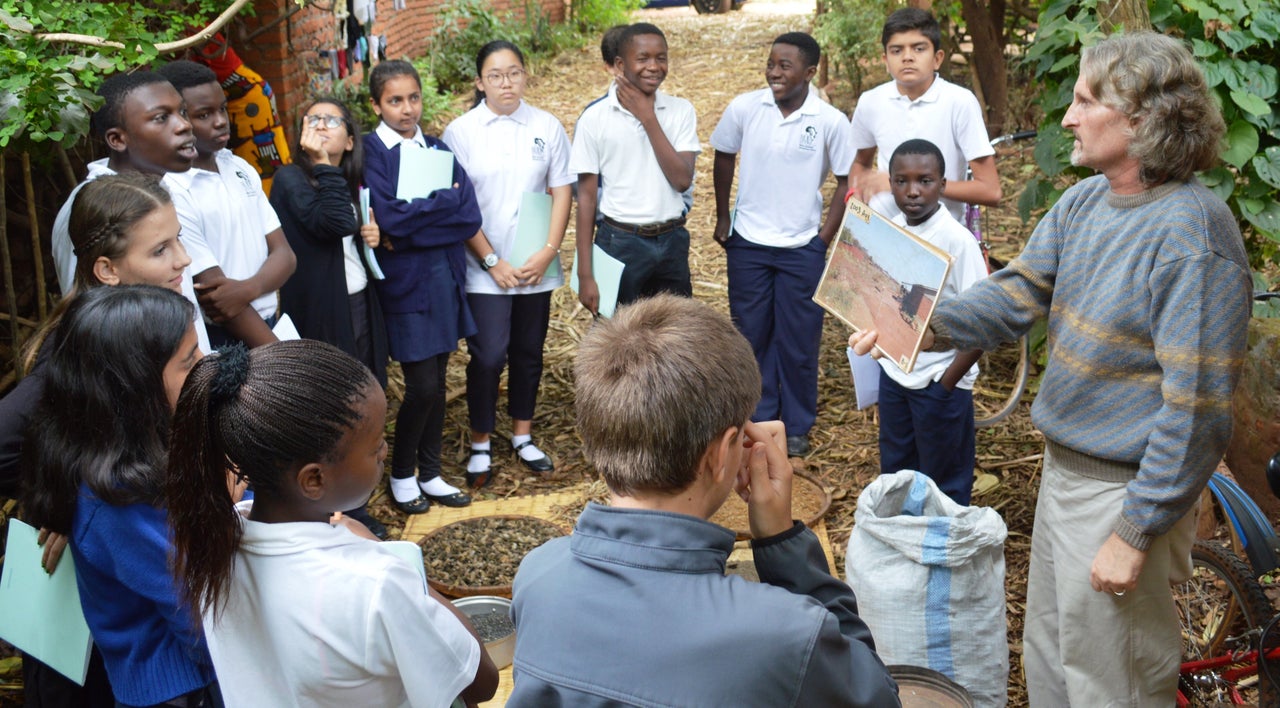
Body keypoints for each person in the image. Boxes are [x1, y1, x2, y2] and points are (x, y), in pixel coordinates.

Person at [851, 31, 1250, 705]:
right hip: (1065, 474)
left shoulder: (1192, 235)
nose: (1067, 116)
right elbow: (1018, 292)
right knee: (1054, 662)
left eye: (1086, 100)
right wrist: (922, 325)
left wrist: (1136, 530)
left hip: (1122, 491)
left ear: (1142, 119)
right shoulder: (1086, 202)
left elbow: (1197, 408)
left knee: (1112, 681)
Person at [509, 294, 900, 707]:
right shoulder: (785, 633)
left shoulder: (538, 577)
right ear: (721, 453)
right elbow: (876, 695)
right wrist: (782, 543)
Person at [165, 340, 499, 708]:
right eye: (375, 447)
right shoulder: (375, 582)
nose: (385, 451)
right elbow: (479, 681)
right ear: (314, 480)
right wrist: (390, 561)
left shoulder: (211, 542)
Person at [6, 173, 202, 707]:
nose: (183, 260)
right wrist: (69, 500)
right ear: (107, 271)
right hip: (102, 630)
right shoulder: (77, 359)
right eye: (161, 249)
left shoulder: (159, 327)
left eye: (179, 239)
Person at [22, 285, 215, 708]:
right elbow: (198, 614)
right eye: (189, 361)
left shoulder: (150, 443)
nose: (206, 366)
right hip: (180, 685)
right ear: (137, 391)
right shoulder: (119, 502)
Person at [710, 31, 852, 458]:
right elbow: (723, 154)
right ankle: (759, 416)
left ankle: (796, 424)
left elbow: (848, 182)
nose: (774, 71)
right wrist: (723, 216)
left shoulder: (830, 121)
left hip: (800, 247)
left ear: (810, 72)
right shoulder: (745, 107)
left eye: (785, 65)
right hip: (749, 243)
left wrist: (822, 239)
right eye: (771, 62)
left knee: (799, 338)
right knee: (751, 334)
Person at [441, 41, 573, 486]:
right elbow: (457, 205)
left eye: (513, 73)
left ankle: (522, 433)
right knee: (488, 354)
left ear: (525, 75)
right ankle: (480, 441)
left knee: (528, 352)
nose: (505, 83)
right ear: (480, 82)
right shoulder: (461, 132)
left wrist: (549, 250)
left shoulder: (546, 126)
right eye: (495, 75)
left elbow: (562, 191)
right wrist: (492, 260)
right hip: (484, 266)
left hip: (536, 261)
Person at [270, 97, 391, 538]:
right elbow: (333, 221)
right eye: (312, 119)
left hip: (361, 303)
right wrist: (323, 164)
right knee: (334, 410)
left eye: (331, 120)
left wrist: (374, 237)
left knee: (368, 394)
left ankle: (357, 499)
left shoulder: (354, 180)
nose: (320, 126)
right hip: (323, 312)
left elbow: (350, 239)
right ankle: (337, 512)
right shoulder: (290, 178)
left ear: (350, 137)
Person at [363, 60, 481, 510]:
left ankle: (430, 473)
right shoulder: (371, 152)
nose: (407, 108)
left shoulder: (436, 147)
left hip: (445, 279)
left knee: (440, 377)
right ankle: (401, 472)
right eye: (395, 100)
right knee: (421, 386)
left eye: (413, 98)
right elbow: (385, 216)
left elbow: (468, 217)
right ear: (376, 104)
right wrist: (440, 207)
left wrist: (409, 230)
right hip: (406, 286)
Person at [874, 139, 986, 505]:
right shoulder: (889, 228)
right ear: (890, 183)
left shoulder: (958, 242)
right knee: (897, 474)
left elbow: (984, 321)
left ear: (942, 184)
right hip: (895, 377)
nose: (913, 191)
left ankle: (943, 555)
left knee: (944, 486)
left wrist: (946, 386)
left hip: (940, 383)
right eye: (901, 181)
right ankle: (901, 549)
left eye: (925, 180)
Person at [157, 60, 295, 349]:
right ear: (179, 120)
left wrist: (248, 288)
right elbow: (217, 299)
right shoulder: (173, 189)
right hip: (226, 337)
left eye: (222, 108)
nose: (220, 120)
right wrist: (278, 354)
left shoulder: (239, 167)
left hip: (270, 321)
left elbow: (285, 255)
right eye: (204, 114)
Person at [571, 23, 700, 314]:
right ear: (620, 64)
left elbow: (681, 180)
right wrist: (585, 273)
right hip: (619, 242)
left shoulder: (681, 111)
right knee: (618, 339)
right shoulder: (594, 119)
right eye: (642, 58)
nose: (653, 66)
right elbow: (587, 198)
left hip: (672, 240)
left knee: (675, 335)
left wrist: (648, 118)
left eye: (661, 57)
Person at [50, 72, 198, 300]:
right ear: (117, 139)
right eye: (161, 117)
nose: (185, 125)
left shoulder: (163, 190)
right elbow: (87, 311)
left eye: (183, 112)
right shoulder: (93, 208)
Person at [846, 7, 999, 223]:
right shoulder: (871, 101)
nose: (907, 57)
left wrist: (901, 184)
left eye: (918, 49)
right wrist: (857, 196)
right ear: (885, 60)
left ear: (937, 58)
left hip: (940, 238)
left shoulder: (959, 103)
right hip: (883, 231)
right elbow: (861, 164)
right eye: (897, 50)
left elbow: (990, 191)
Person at [191, 33, 291, 193]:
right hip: (245, 92)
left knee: (259, 160)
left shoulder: (196, 30)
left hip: (247, 99)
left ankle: (273, 200)